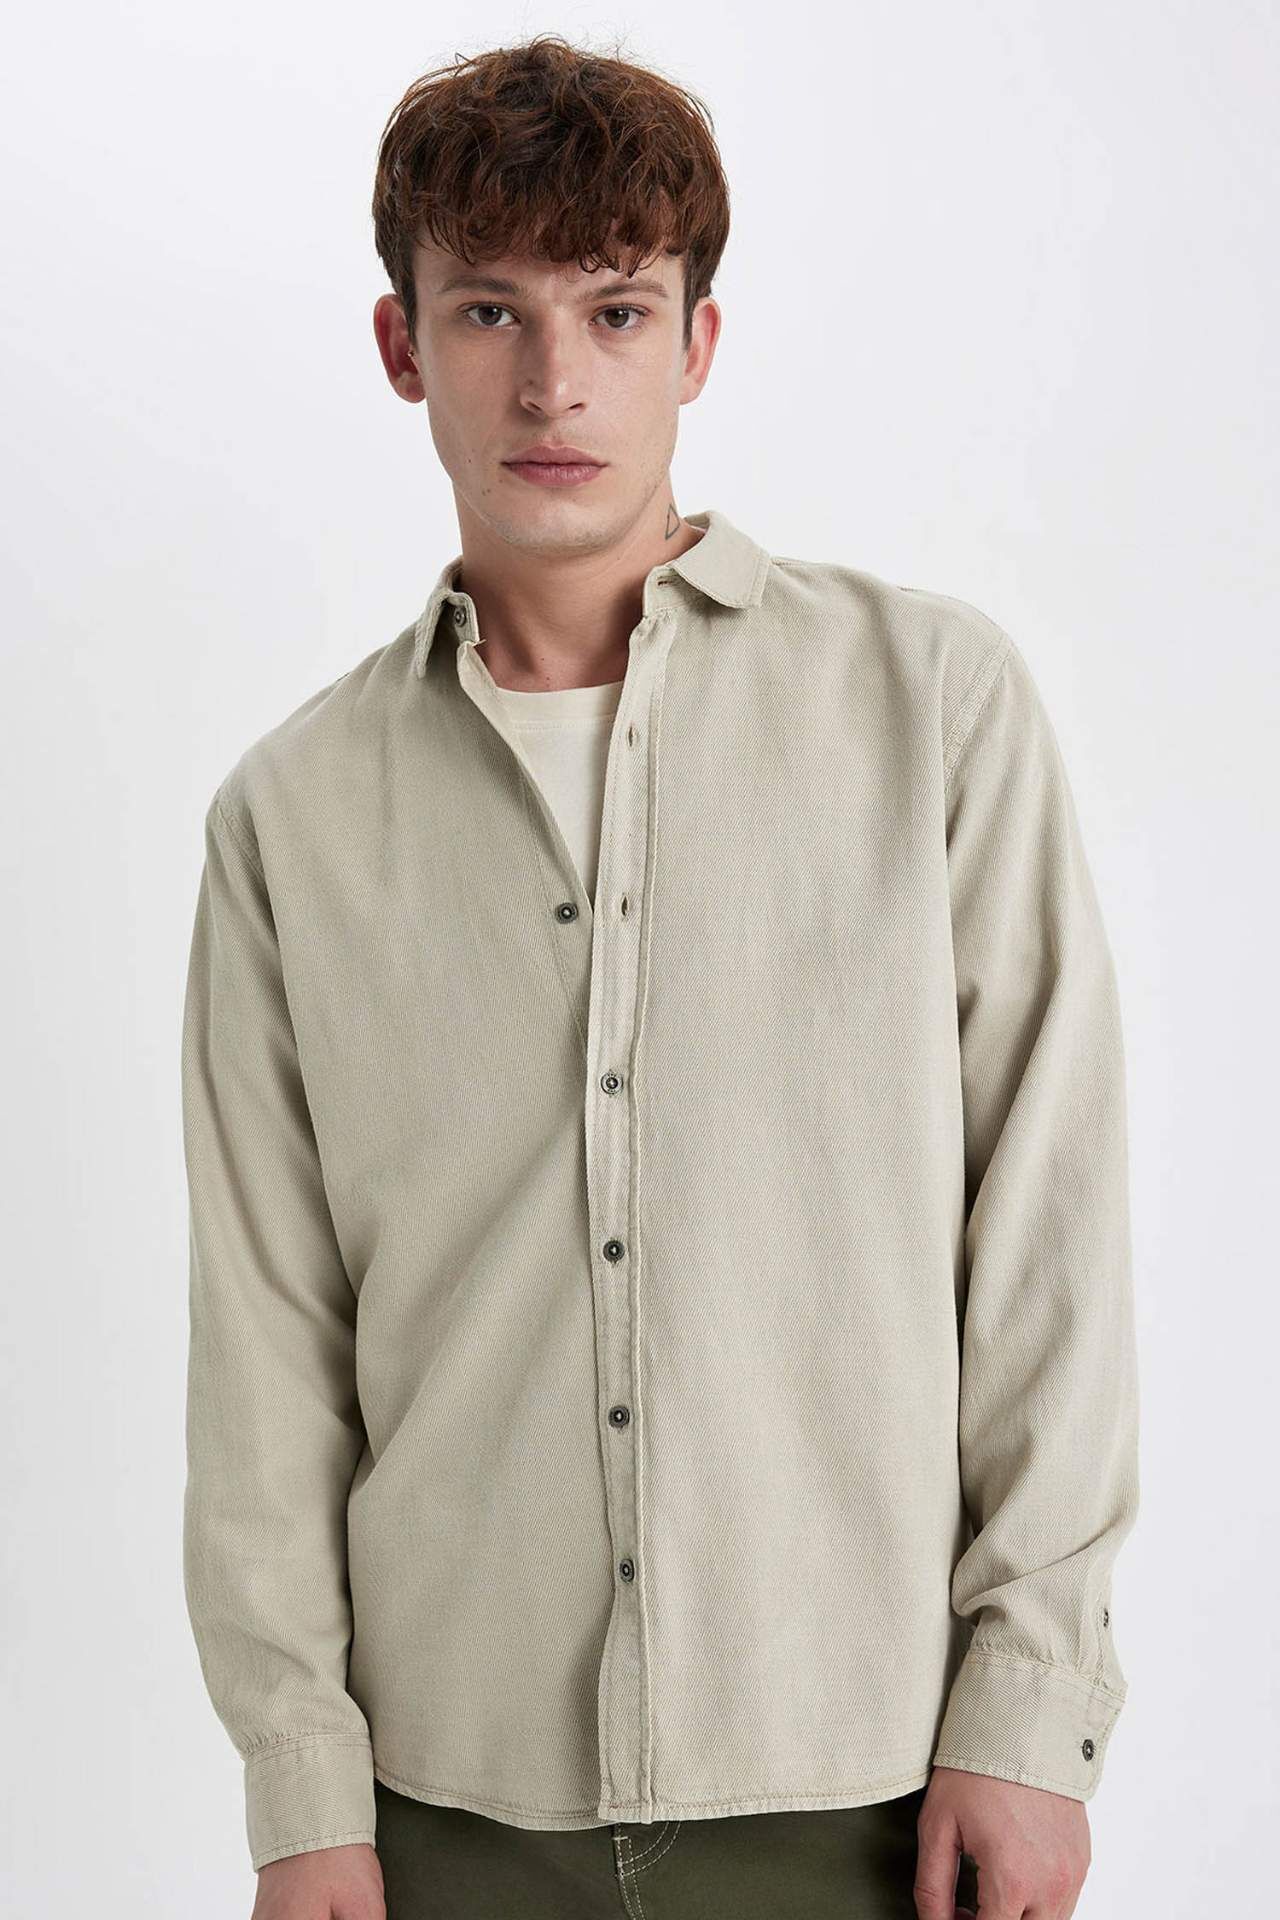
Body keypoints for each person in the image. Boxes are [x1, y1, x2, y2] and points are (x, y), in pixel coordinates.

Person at [179, 32, 1140, 1920]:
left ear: (696, 344)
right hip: (443, 1816)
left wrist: (1030, 1713)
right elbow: (269, 1348)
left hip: (867, 1787)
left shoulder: (932, 711)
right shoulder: (290, 818)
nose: (554, 381)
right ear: (401, 347)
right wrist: (302, 1794)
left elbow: (1049, 1241)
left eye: (614, 312)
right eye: (490, 311)